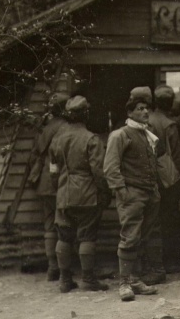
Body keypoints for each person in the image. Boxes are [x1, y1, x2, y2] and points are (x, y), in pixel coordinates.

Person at [104, 91, 162, 302]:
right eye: (140, 109)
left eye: (146, 108)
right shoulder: (121, 135)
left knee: (141, 237)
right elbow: (111, 168)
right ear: (130, 112)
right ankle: (124, 283)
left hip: (149, 194)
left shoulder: (146, 134)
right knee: (129, 237)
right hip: (132, 195)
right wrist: (123, 193)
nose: (145, 112)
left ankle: (135, 279)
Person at [49, 96, 109, 293]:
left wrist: (58, 189)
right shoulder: (91, 139)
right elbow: (99, 172)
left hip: (63, 193)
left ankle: (65, 280)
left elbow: (53, 171)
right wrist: (104, 192)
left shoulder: (57, 139)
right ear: (86, 114)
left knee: (64, 236)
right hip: (86, 194)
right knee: (87, 236)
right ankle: (88, 279)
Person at [26, 92, 70, 281]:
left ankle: (53, 268)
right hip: (59, 181)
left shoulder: (45, 129)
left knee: (49, 225)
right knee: (64, 226)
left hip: (44, 183)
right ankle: (64, 270)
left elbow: (35, 154)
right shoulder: (66, 128)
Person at [149, 84, 180, 274]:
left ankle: (155, 262)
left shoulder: (147, 120)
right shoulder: (169, 124)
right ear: (170, 103)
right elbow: (177, 156)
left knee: (153, 221)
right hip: (168, 180)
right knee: (170, 220)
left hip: (150, 177)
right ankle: (170, 262)